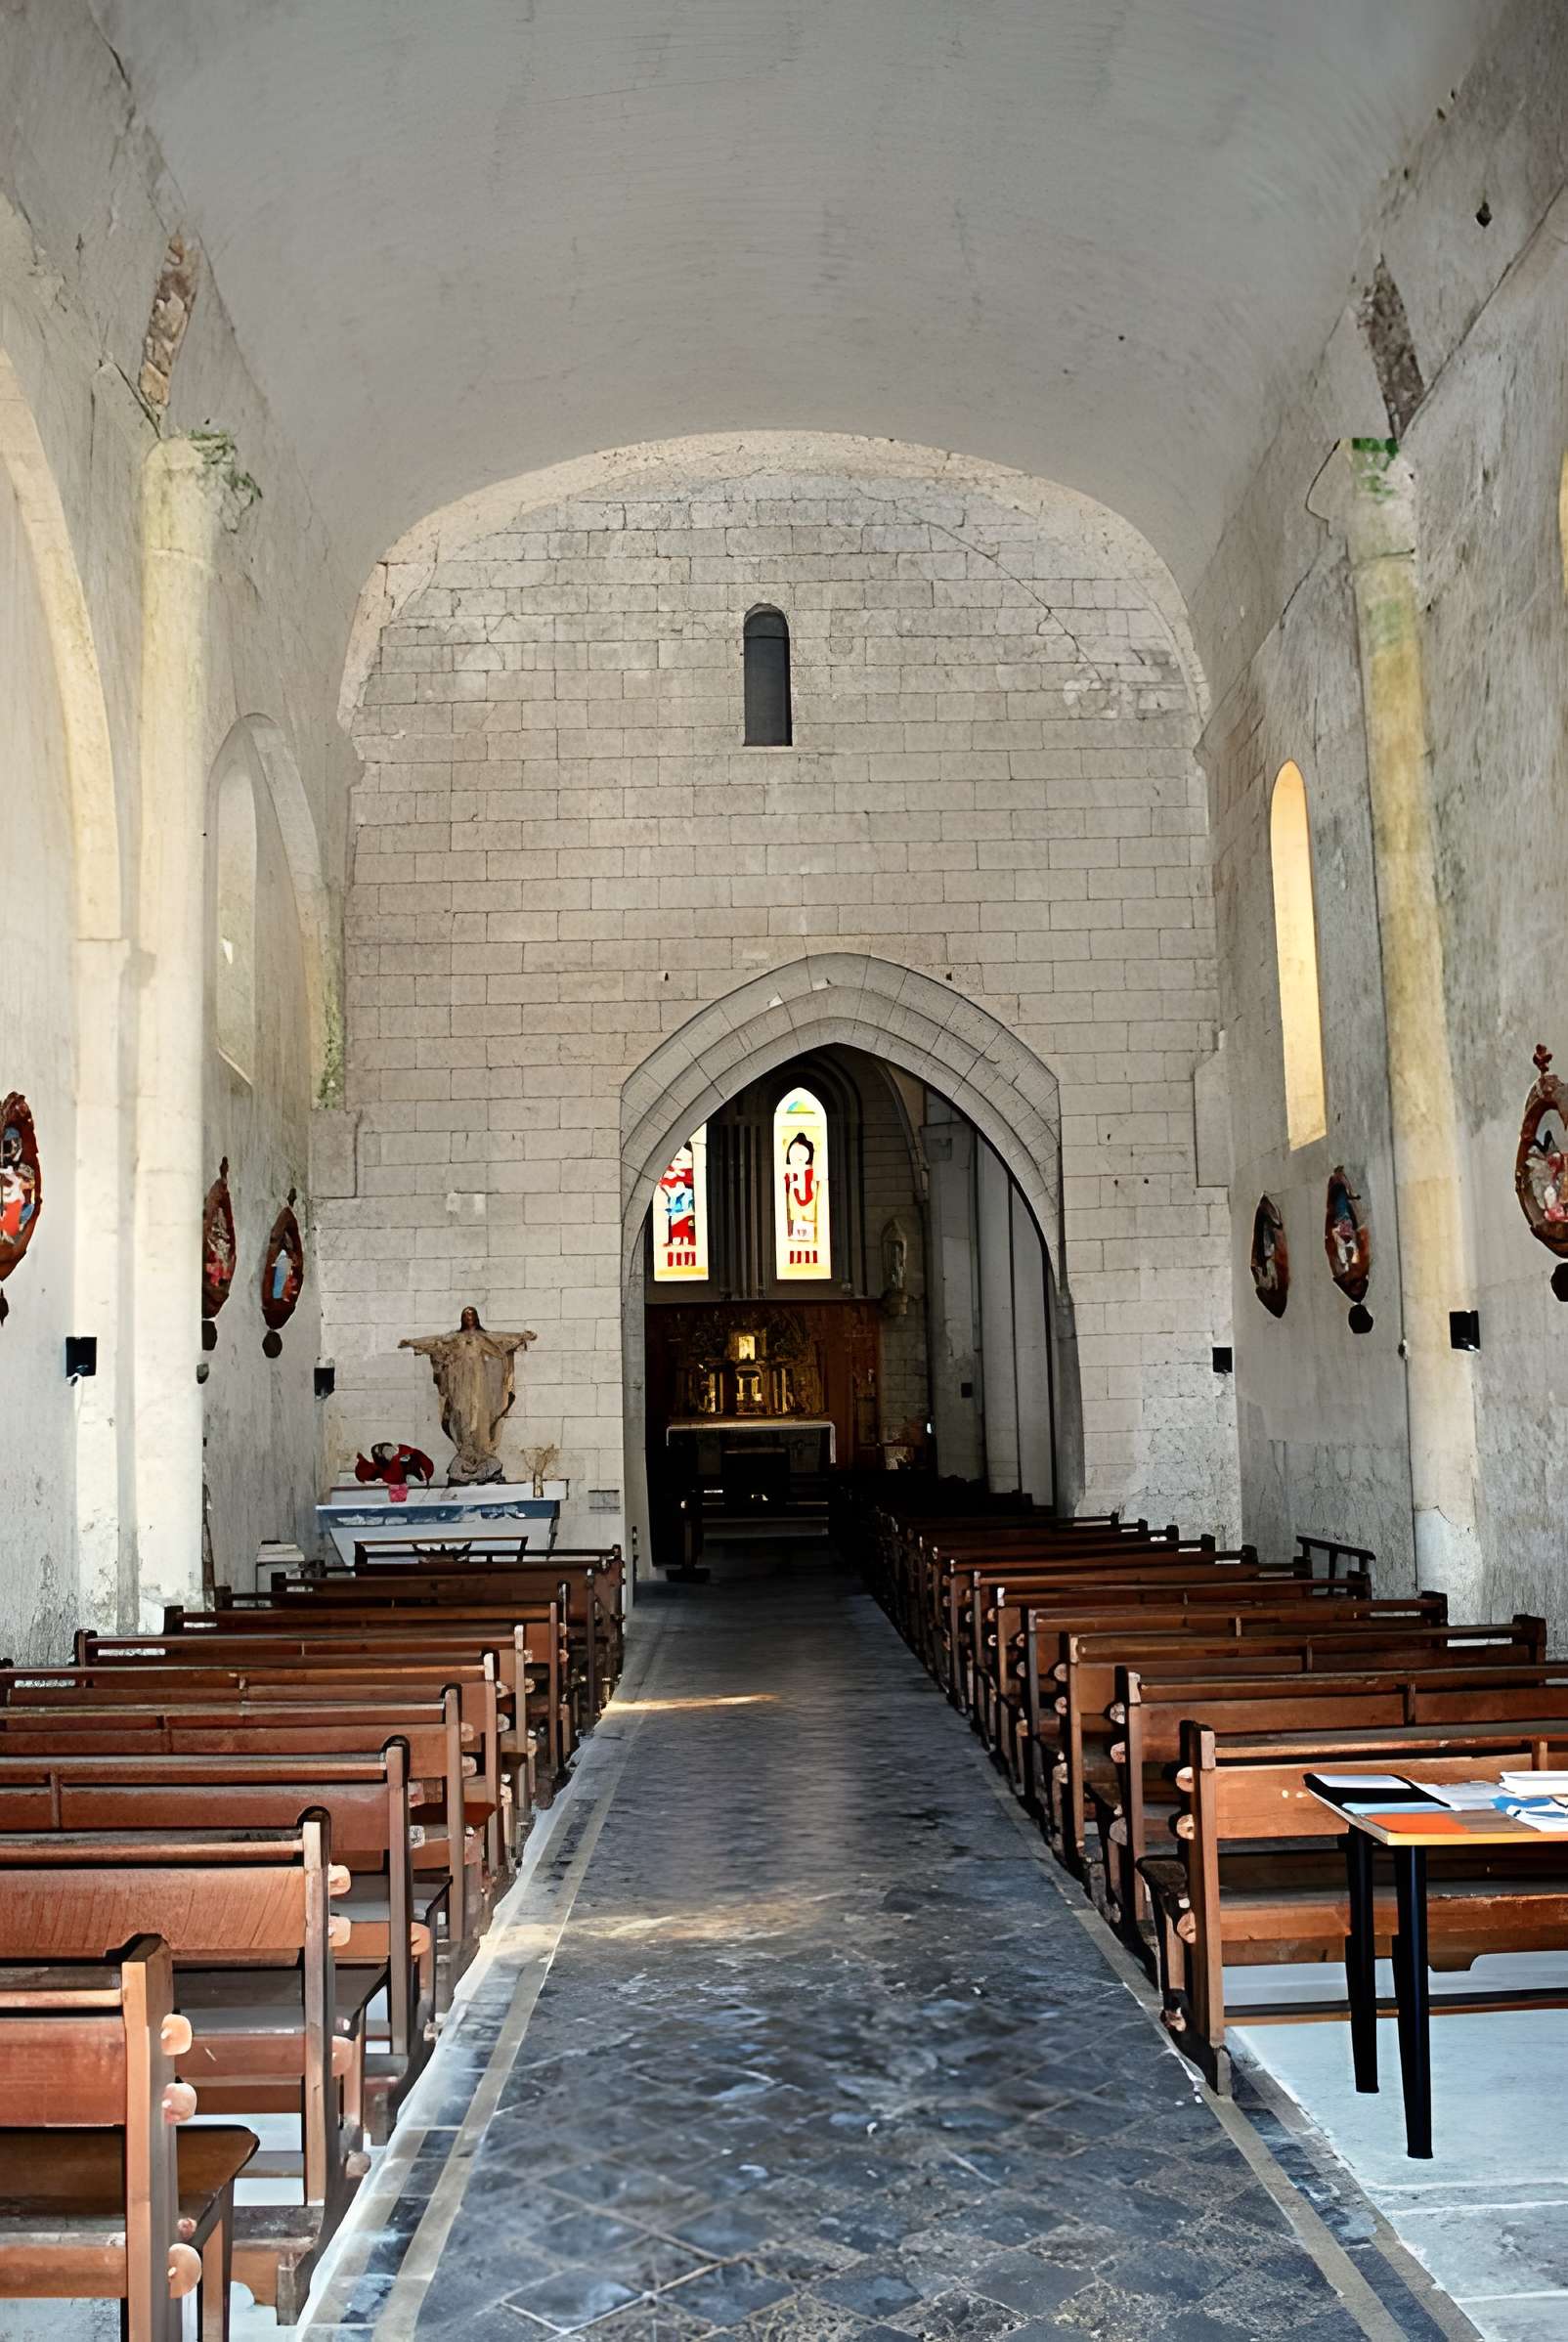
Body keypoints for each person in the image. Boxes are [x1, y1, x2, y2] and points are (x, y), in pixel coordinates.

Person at [401, 1307, 536, 1484]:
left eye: (472, 1314)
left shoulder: (483, 1338)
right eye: (466, 1315)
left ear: (477, 1318)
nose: (469, 1317)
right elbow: (436, 1343)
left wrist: (522, 1337)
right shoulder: (455, 1339)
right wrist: (412, 1343)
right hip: (460, 1386)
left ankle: (483, 1456)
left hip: (480, 1387)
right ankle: (466, 1452)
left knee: (480, 1420)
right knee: (461, 1417)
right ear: (462, 1319)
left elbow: (502, 1340)